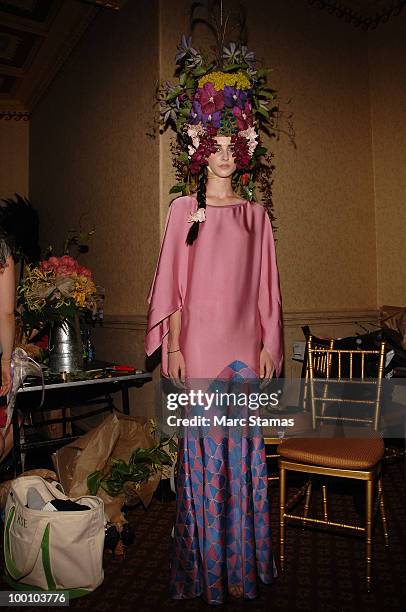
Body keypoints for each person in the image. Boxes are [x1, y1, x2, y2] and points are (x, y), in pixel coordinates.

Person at [145, 37, 283, 605]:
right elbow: (172, 288)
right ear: (201, 150)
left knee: (244, 462)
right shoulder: (183, 211)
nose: (225, 154)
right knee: (202, 464)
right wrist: (173, 346)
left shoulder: (258, 217)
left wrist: (270, 342)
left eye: (233, 146)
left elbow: (267, 290)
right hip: (198, 352)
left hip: (244, 355)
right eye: (215, 145)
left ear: (243, 151)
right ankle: (205, 571)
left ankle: (244, 569)